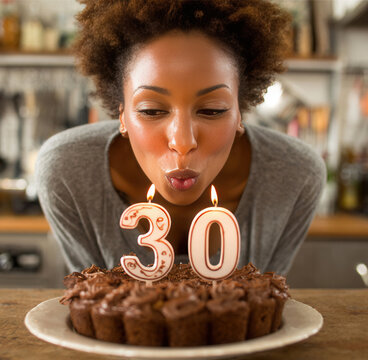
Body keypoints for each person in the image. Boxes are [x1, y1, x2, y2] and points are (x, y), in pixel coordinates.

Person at [36, 0, 326, 275]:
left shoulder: (295, 176)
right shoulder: (67, 172)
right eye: (151, 110)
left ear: (240, 112)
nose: (183, 142)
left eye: (212, 110)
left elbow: (267, 310)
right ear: (122, 115)